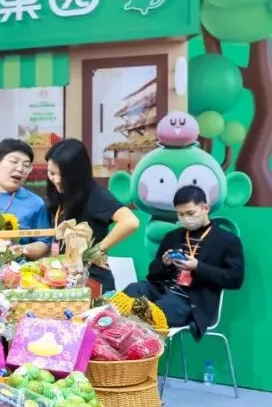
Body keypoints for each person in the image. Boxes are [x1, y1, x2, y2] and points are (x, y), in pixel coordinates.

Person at [123, 186, 243, 337]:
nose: (185, 218)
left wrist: (198, 267)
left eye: (190, 213)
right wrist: (164, 264)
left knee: (155, 311)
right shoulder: (173, 236)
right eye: (180, 214)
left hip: (191, 300)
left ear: (205, 208)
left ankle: (136, 346)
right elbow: (152, 275)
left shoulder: (227, 240)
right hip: (162, 289)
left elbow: (235, 279)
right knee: (131, 292)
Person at [45, 138, 140, 291]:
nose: (56, 180)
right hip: (66, 276)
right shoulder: (63, 193)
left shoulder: (95, 195)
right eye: (51, 173)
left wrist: (96, 251)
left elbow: (130, 222)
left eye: (63, 175)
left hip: (91, 279)